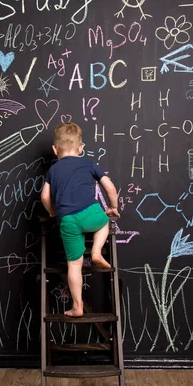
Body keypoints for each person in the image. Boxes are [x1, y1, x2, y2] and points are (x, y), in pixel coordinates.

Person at [41, 122, 120, 317]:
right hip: (90, 212)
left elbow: (44, 196)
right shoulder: (88, 163)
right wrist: (113, 208)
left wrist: (53, 213)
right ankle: (96, 252)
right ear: (81, 148)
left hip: (67, 220)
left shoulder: (53, 170)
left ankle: (77, 306)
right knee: (104, 222)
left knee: (74, 265)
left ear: (54, 149)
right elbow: (110, 188)